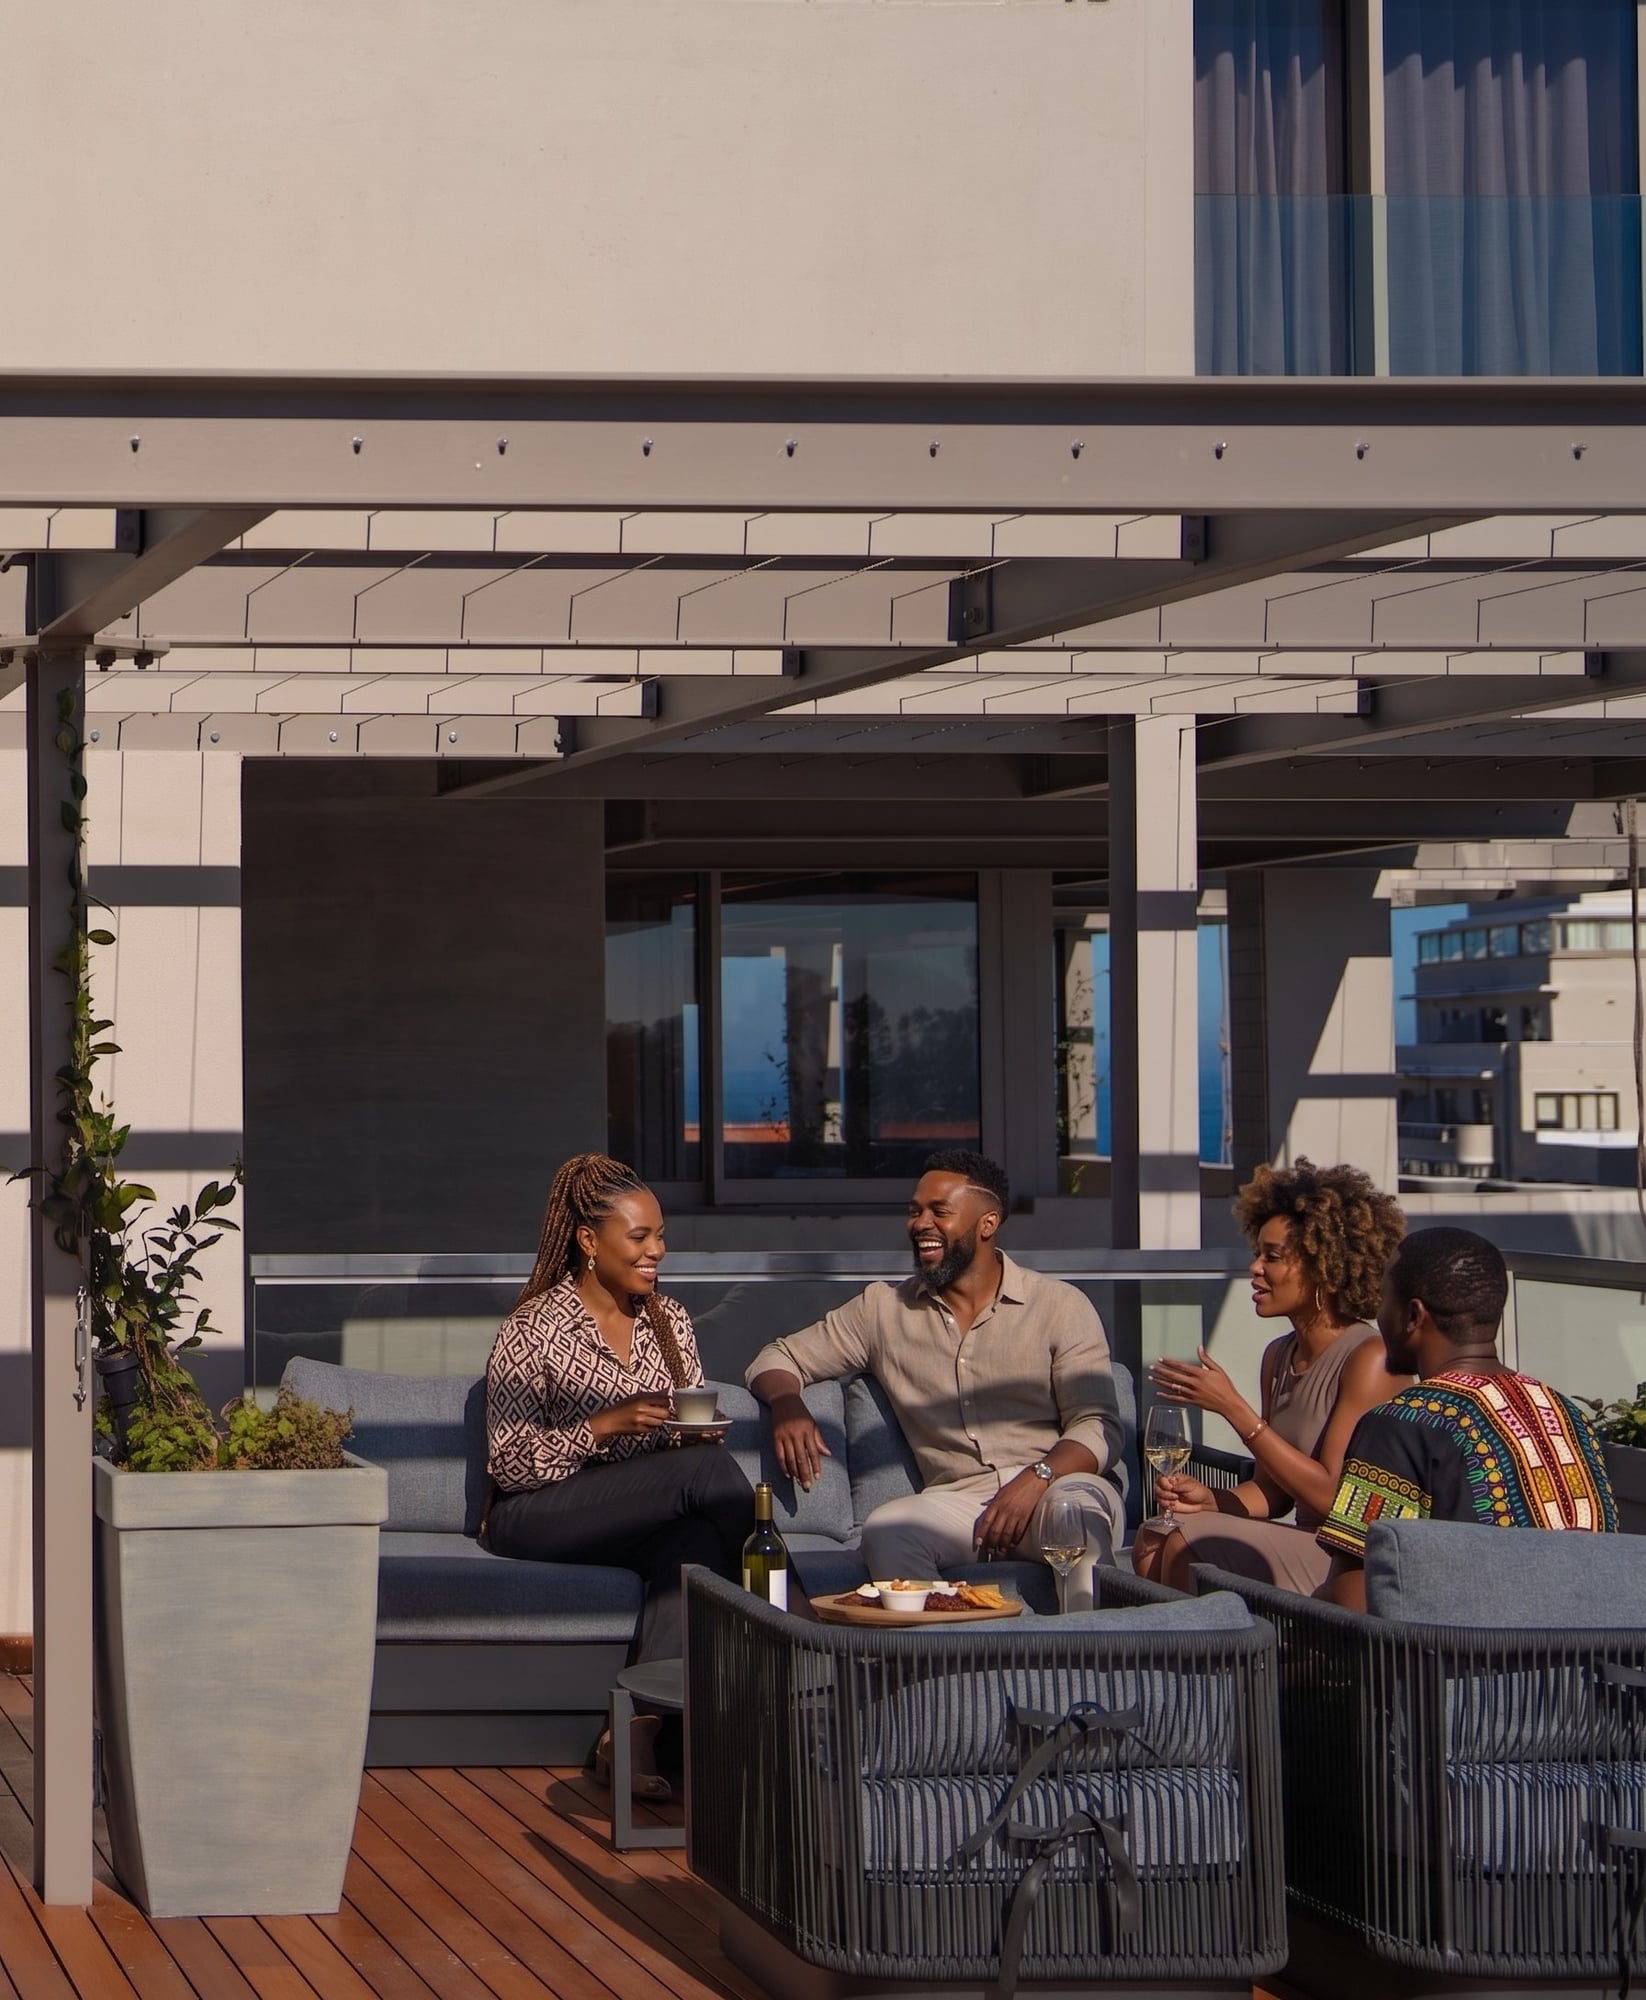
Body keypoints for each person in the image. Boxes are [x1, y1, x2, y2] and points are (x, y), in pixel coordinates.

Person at [745, 1149, 1126, 1601]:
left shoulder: (1061, 1306)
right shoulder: (883, 1311)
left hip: (1056, 1488)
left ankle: (1087, 1643)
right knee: (887, 1530)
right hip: (962, 1504)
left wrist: (1037, 1477)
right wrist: (787, 1404)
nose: (920, 1223)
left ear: (987, 1223)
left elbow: (1098, 1425)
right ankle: (941, 1644)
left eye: (939, 1211)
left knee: (1075, 1515)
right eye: (915, 1211)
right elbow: (777, 1357)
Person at [485, 1152, 752, 1789]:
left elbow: (683, 1442)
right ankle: (798, 1625)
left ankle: (633, 1736)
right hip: (536, 1512)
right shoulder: (533, 1327)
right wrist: (601, 1426)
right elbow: (508, 1461)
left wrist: (690, 1432)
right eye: (639, 1237)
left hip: (633, 1511)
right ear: (588, 1241)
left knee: (691, 1547)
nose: (656, 1250)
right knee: (707, 1475)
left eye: (660, 1236)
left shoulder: (669, 1321)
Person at [1134, 1159, 1407, 1595]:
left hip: (1347, 1556)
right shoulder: (1278, 1356)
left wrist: (1233, 1409)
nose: (1255, 1268)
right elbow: (1272, 1493)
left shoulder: (1368, 1357)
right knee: (1154, 1537)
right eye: (1257, 1253)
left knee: (1189, 1540)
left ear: (1323, 1266)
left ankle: (1196, 1640)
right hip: (1301, 1541)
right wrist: (1211, 1500)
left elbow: (1331, 1498)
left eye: (1273, 1257)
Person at [1317, 1225, 1618, 1611]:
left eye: (1383, 1299)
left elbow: (1356, 1599)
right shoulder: (1569, 1416)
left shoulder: (1399, 1424)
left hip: (1461, 1648)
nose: (1379, 1316)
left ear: (1413, 1314)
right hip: (1594, 1645)